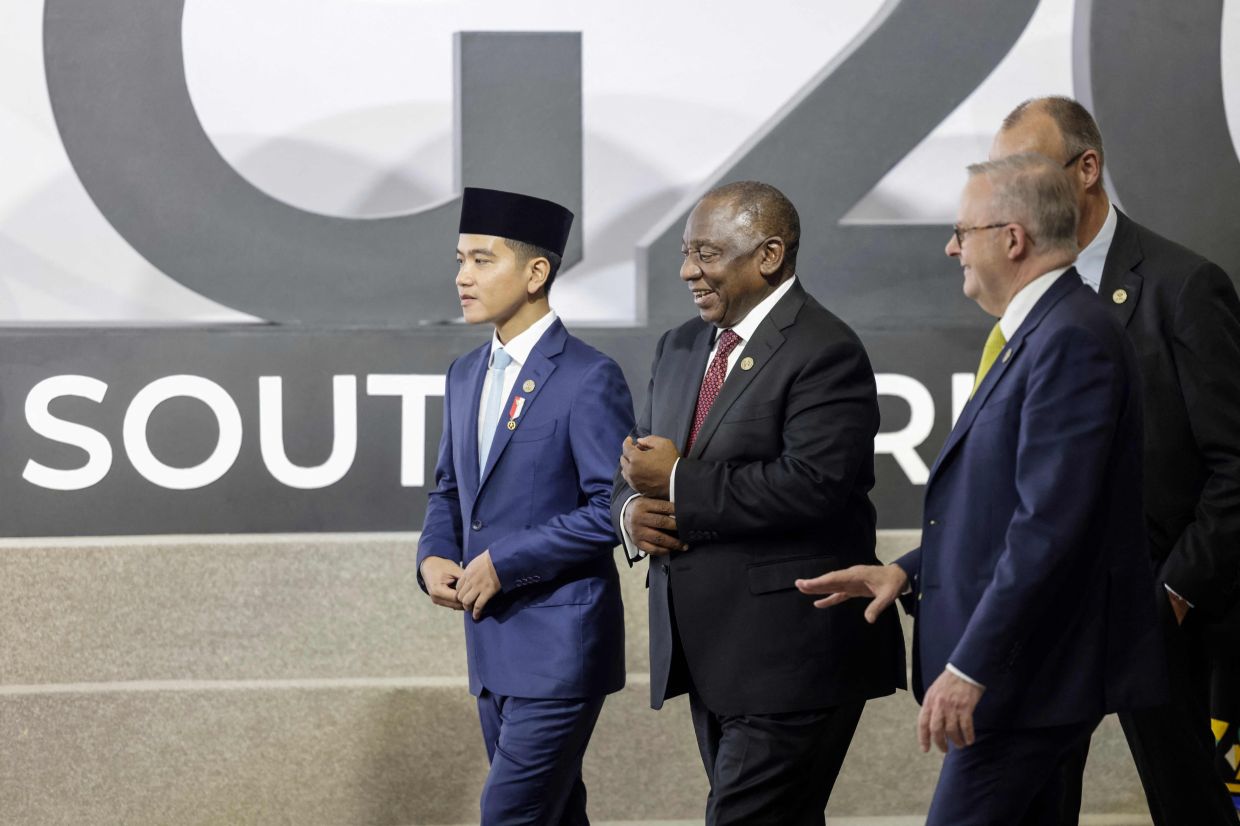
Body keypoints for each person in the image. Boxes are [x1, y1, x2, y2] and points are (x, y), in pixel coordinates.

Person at [797, 153, 1167, 825]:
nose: (950, 247)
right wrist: (905, 572)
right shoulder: (1043, 331)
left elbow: (1050, 525)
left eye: (961, 231)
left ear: (1012, 238)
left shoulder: (1072, 337)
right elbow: (1001, 512)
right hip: (1028, 678)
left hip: (1026, 681)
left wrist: (972, 668)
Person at [613, 180, 905, 825]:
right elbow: (636, 464)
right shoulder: (680, 346)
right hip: (709, 655)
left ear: (769, 254)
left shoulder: (826, 348)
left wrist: (681, 484)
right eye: (687, 253)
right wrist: (631, 513)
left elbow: (815, 485)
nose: (689, 271)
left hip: (791, 656)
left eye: (707, 254)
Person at [990, 96, 1240, 826]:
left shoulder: (1183, 287)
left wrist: (1174, 593)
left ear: (1087, 169)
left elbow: (1235, 466)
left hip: (1171, 625)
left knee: (1191, 806)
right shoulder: (1025, 299)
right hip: (1051, 618)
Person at [417, 187, 634, 825]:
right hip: (490, 648)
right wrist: (432, 555)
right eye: (459, 260)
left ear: (536, 273)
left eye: (482, 261)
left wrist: (503, 562)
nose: (462, 277)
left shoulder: (589, 376)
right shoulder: (463, 373)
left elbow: (613, 507)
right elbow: (449, 491)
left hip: (561, 649)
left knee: (509, 817)